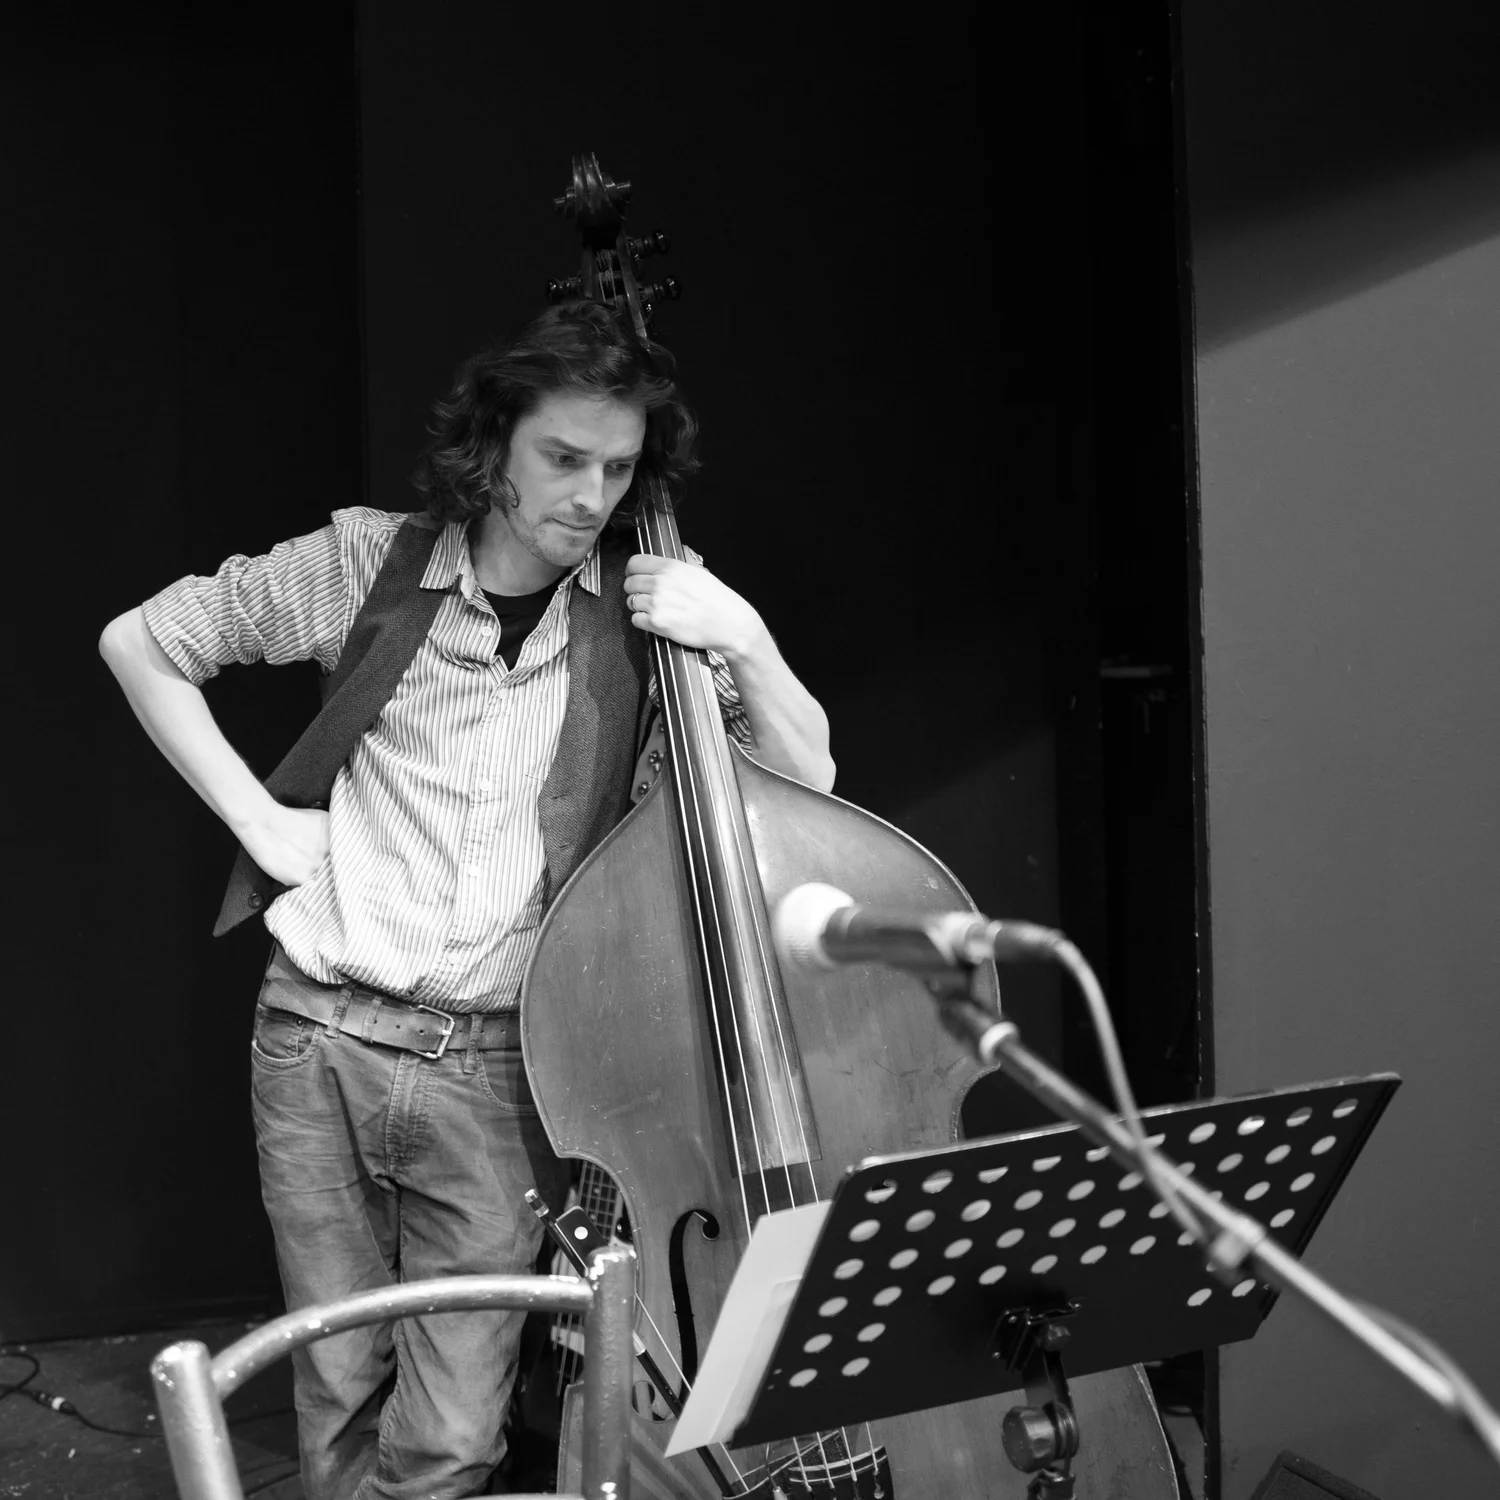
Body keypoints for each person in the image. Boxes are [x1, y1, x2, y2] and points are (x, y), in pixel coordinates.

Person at [98, 299, 836, 1500]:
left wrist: (745, 639)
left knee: (451, 1434)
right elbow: (143, 640)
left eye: (618, 467)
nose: (592, 496)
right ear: (494, 444)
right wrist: (256, 821)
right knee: (338, 1395)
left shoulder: (652, 607)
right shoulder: (367, 563)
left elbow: (808, 786)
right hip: (317, 1037)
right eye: (563, 457)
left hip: (496, 1065)